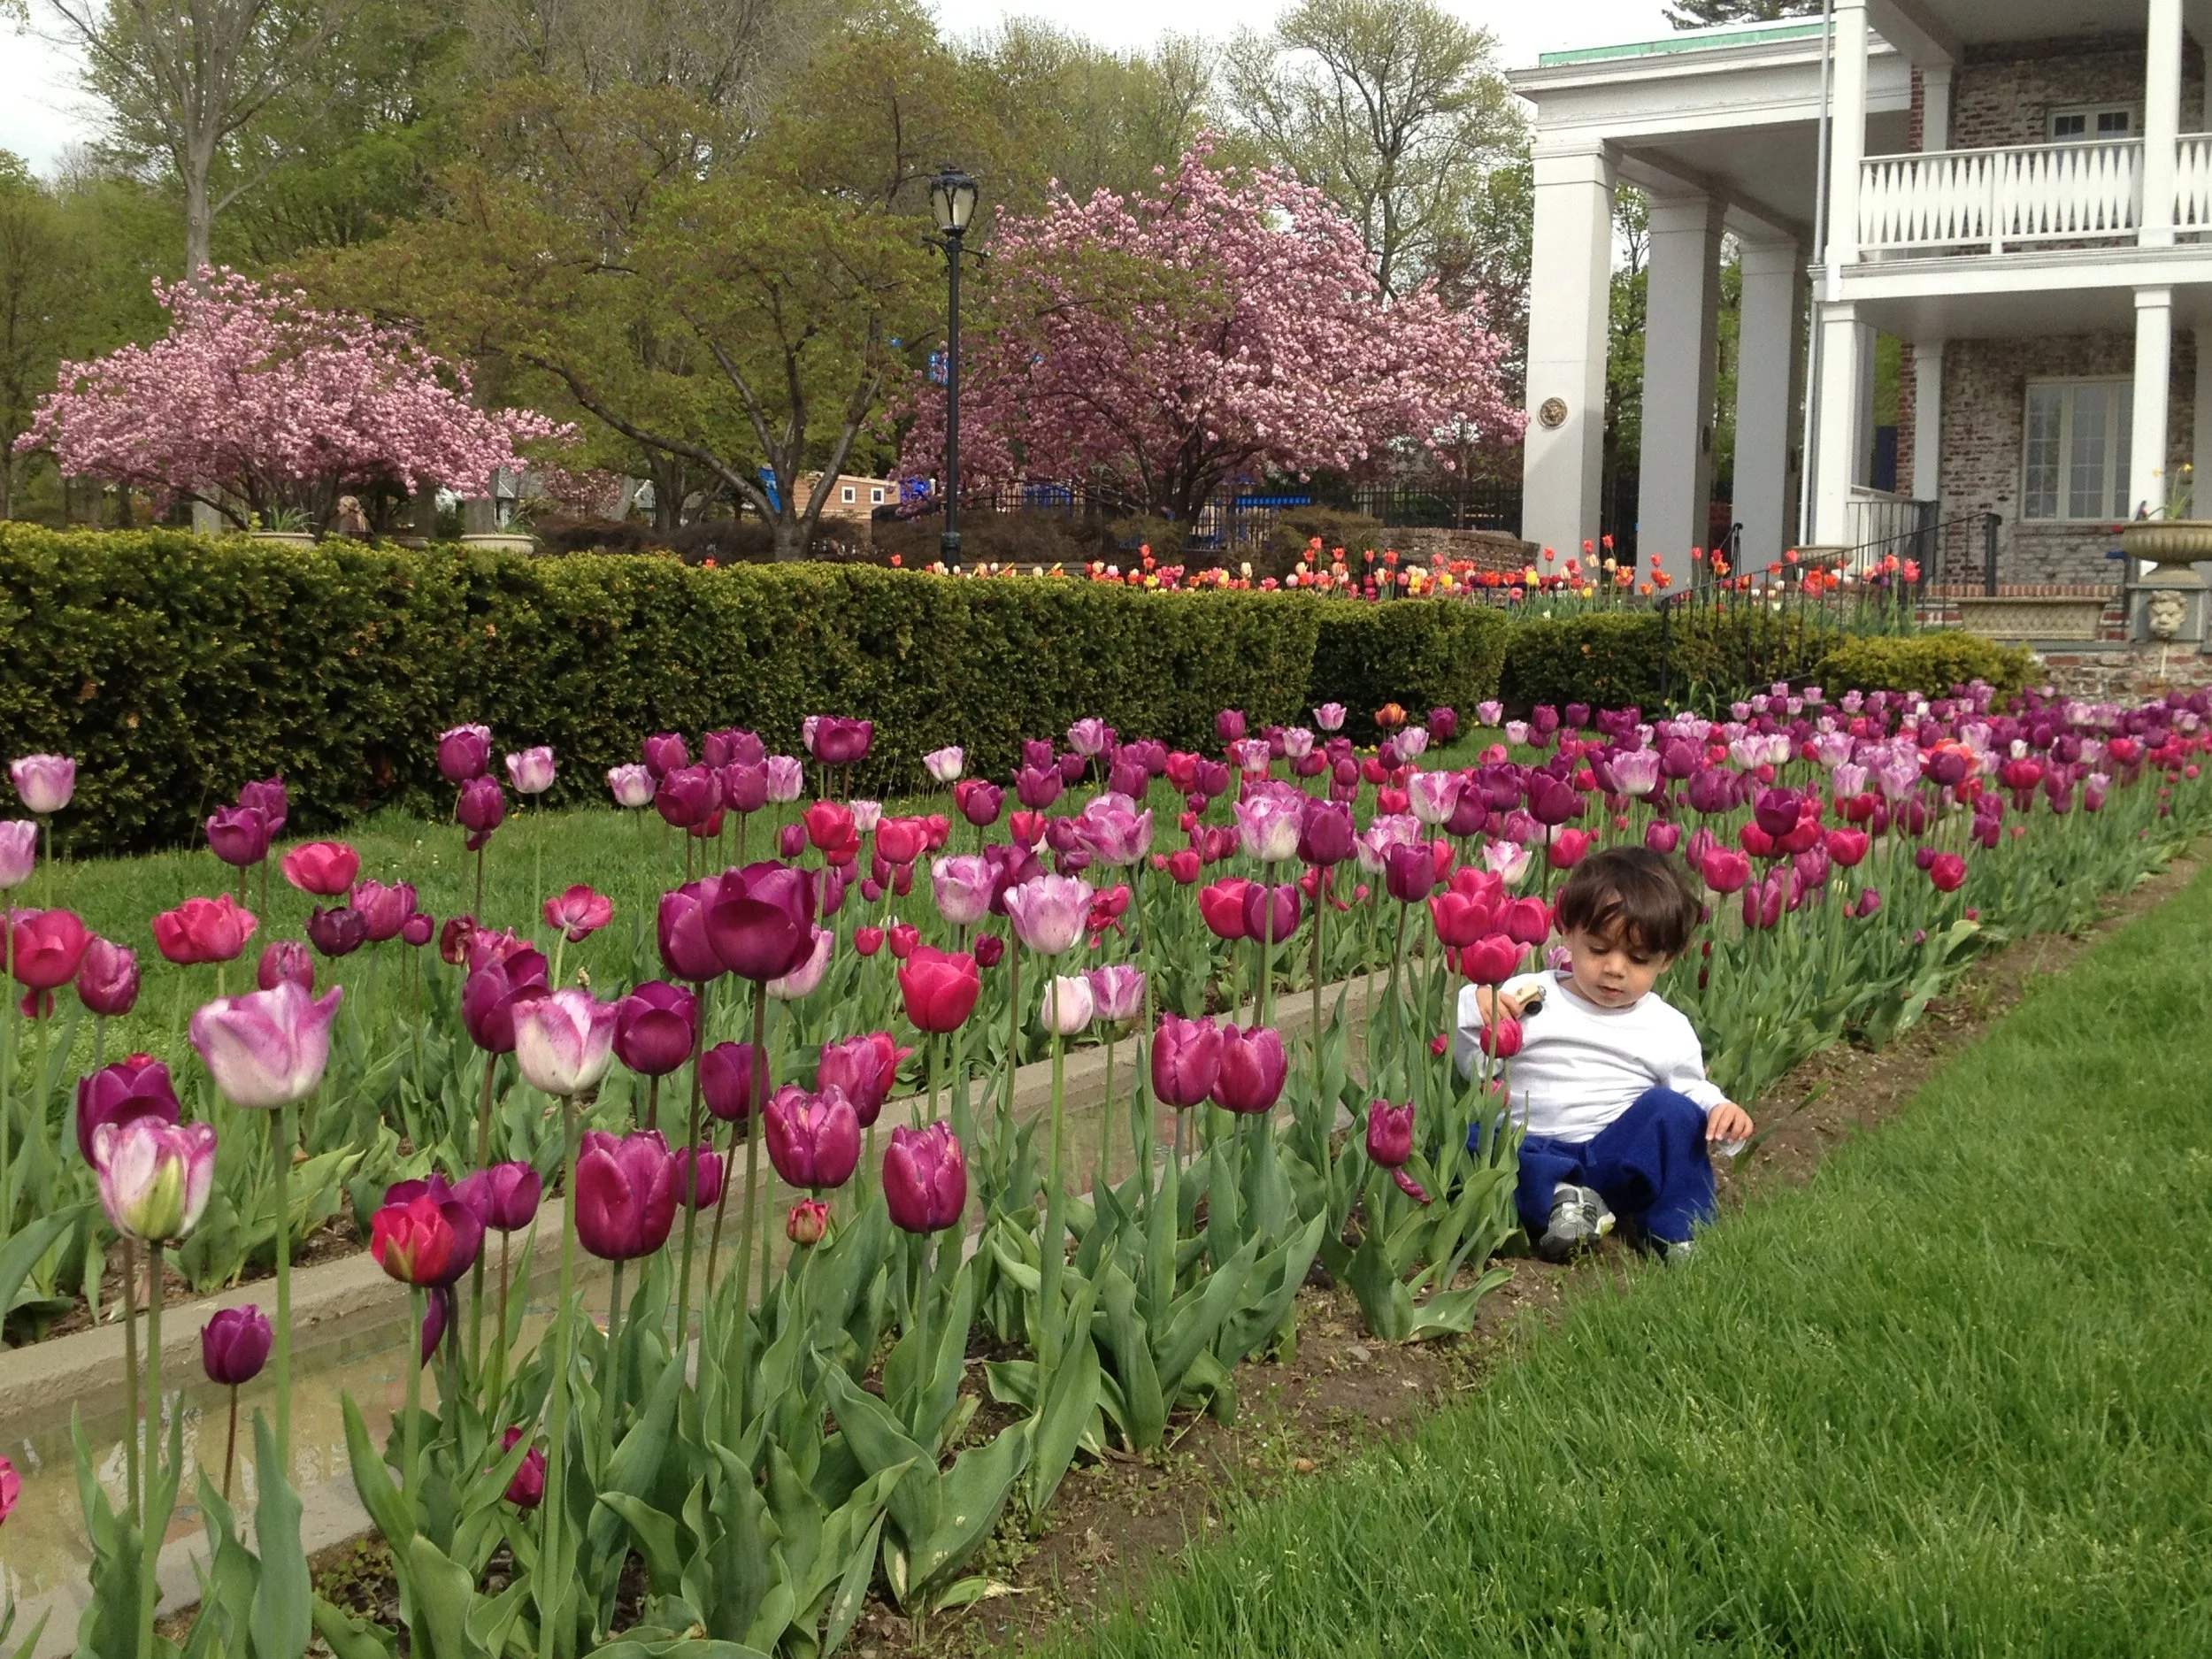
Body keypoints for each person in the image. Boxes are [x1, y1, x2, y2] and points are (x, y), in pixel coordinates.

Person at [1455, 846, 1752, 1264]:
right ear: (1568, 932)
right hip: (1532, 1153)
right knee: (1466, 1141)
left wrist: (1719, 1108)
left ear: (1666, 960)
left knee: (1673, 1112)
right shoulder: (1530, 995)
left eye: (1638, 958)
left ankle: (1679, 1230)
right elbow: (1476, 1071)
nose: (1615, 968)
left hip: (1614, 1158)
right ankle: (1567, 1202)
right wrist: (1476, 1009)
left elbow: (1690, 1091)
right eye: (1598, 949)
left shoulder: (1666, 1027)